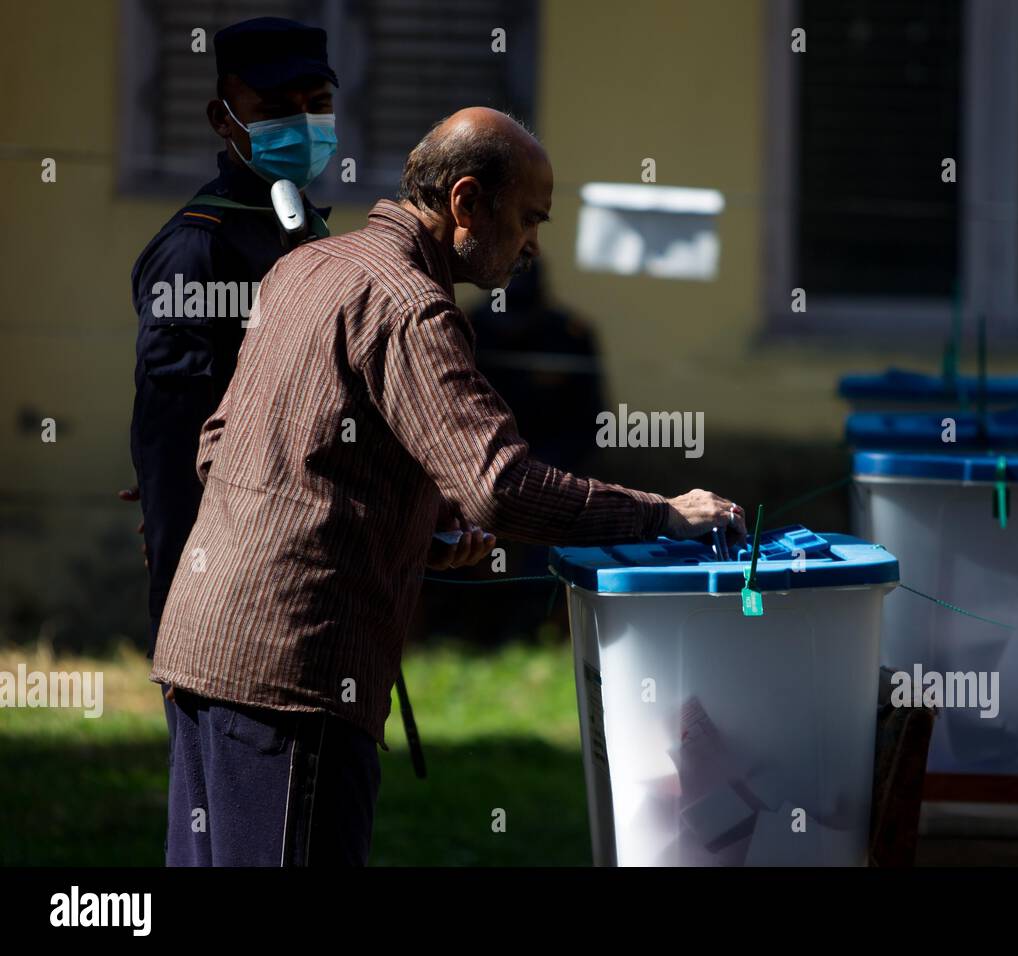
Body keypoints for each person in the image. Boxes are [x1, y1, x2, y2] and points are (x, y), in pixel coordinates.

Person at [150, 107, 746, 866]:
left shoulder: (305, 267)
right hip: (293, 680)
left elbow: (217, 448)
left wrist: (414, 528)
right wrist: (662, 513)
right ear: (466, 203)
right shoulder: (412, 307)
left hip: (201, 650)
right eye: (529, 219)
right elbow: (498, 486)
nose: (534, 246)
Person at [123, 17, 344, 661]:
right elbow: (172, 428)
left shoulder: (303, 229)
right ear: (224, 119)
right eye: (275, 110)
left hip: (305, 544)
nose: (302, 125)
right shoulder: (199, 245)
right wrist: (180, 543)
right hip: (228, 577)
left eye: (317, 106)